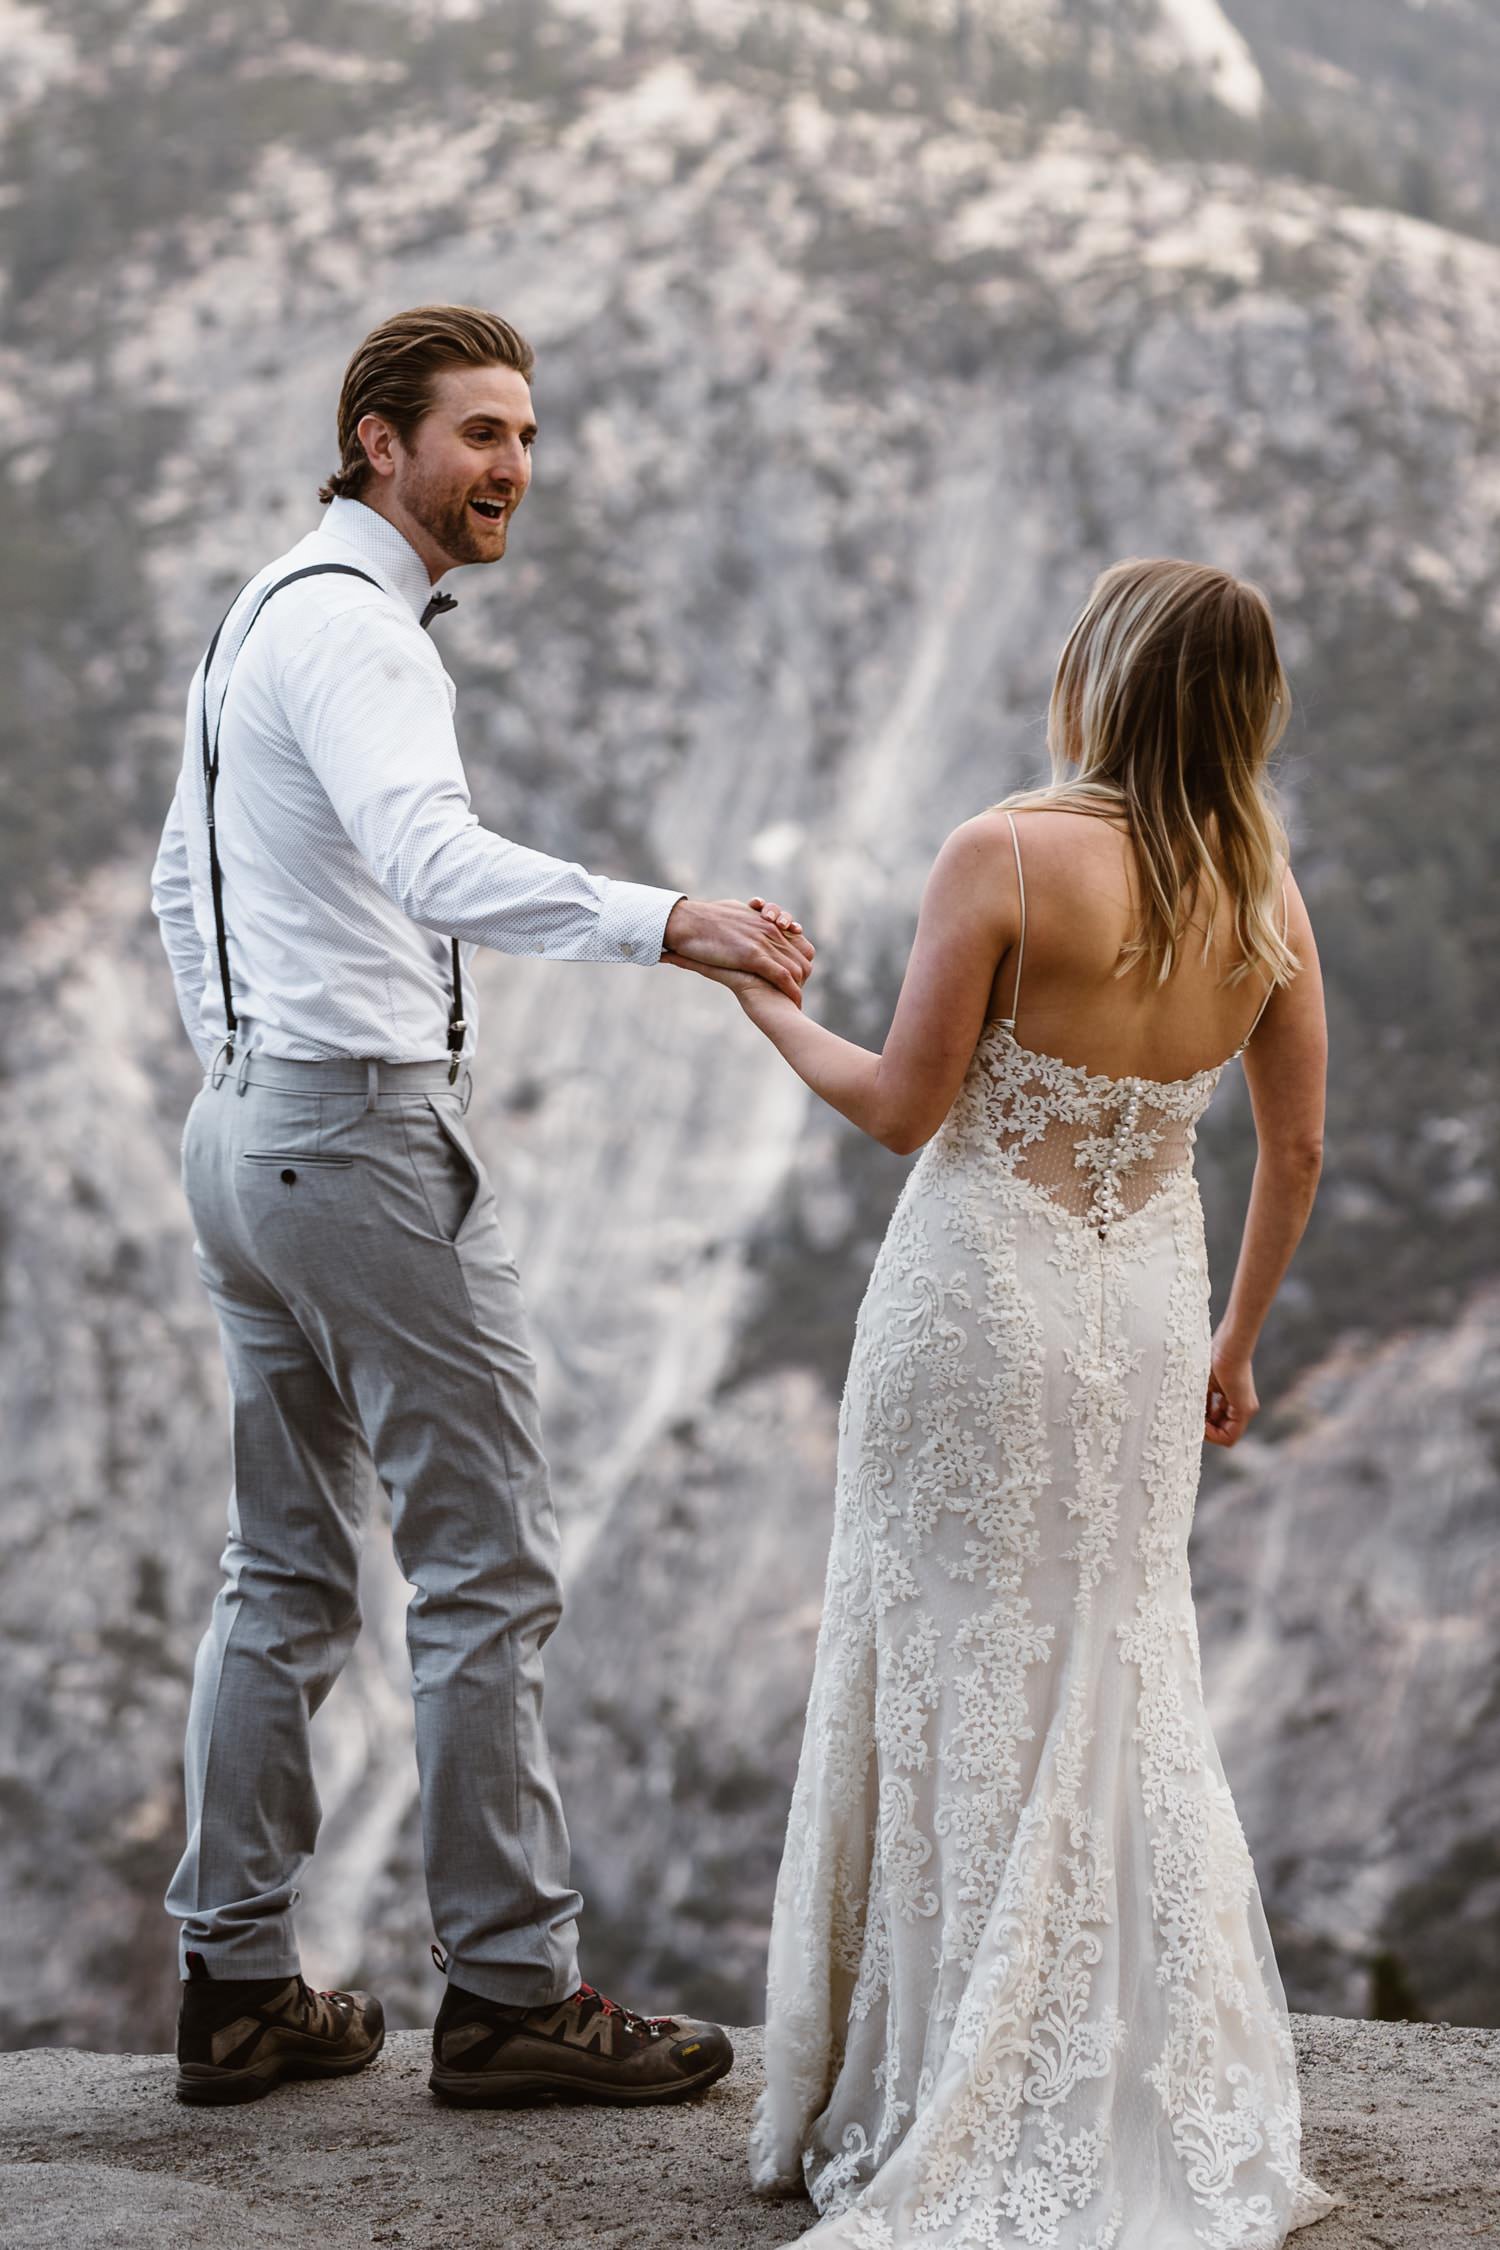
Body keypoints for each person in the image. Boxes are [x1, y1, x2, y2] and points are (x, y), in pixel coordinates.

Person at [149, 303, 812, 2108]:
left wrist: (246, 1074)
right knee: (483, 1568)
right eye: (479, 434)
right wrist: (669, 917)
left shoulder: (262, 611)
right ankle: (513, 1992)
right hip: (355, 1139)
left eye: (526, 434)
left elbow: (174, 883)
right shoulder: (362, 637)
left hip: (250, 1132)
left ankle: (233, 1985)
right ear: (379, 440)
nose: (513, 467)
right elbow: (432, 862)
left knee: (280, 1573)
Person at [672, 559, 1343, 2244]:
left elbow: (905, 1108)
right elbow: (1300, 1144)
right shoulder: (1268, 890)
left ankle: (939, 2075)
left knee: (956, 1654)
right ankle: (1128, 2060)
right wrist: (1240, 1343)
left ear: (1098, 679)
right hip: (1142, 1318)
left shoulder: (1009, 852)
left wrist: (767, 1006)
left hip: (976, 1300)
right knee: (1118, 1651)